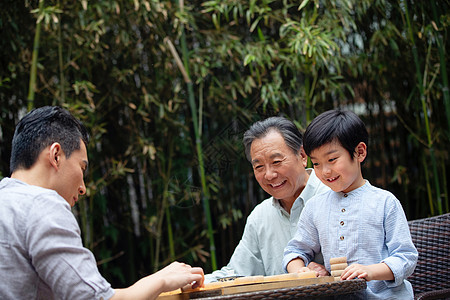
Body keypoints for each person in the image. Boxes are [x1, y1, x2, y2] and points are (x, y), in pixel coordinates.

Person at [0, 106, 204, 300]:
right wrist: (162, 280)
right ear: (56, 155)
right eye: (82, 168)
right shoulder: (42, 206)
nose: (83, 188)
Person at [283, 109, 418, 299]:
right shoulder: (315, 207)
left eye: (332, 159)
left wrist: (370, 271)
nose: (325, 171)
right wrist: (301, 271)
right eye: (317, 163)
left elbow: (406, 257)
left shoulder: (385, 202)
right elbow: (295, 251)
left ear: (360, 152)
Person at [205, 116, 330, 282]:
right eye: (259, 167)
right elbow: (236, 274)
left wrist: (327, 271)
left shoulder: (334, 196)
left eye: (276, 161)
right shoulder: (260, 217)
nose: (269, 175)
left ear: (302, 155)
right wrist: (193, 280)